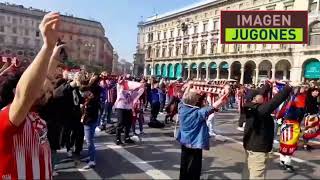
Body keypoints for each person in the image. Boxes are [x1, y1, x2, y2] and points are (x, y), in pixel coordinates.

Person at [0, 12, 62, 179]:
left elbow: (44, 80)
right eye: (44, 89)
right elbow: (25, 94)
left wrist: (53, 55)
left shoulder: (34, 116)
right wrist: (47, 47)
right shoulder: (8, 117)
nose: (47, 91)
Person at [177, 83, 229, 180]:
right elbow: (216, 104)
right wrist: (226, 92)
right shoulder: (199, 113)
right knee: (194, 167)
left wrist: (189, 86)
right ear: (195, 101)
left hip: (184, 141)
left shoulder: (181, 107)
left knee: (184, 164)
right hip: (195, 143)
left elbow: (184, 97)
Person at [242, 81, 292, 179]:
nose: (263, 96)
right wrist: (287, 88)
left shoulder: (249, 106)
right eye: (260, 96)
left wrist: (268, 85)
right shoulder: (259, 110)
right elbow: (274, 102)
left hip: (251, 146)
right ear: (255, 99)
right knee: (257, 175)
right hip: (258, 149)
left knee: (248, 171)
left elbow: (259, 93)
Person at [114, 77, 144, 145]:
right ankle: (118, 139)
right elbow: (119, 84)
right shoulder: (120, 89)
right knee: (120, 123)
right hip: (120, 108)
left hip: (128, 108)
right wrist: (121, 81)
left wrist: (139, 86)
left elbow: (140, 91)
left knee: (128, 124)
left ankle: (126, 138)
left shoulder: (132, 92)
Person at [81, 74, 102, 169]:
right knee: (89, 139)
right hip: (91, 119)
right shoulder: (93, 99)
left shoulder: (91, 100)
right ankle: (90, 157)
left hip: (89, 120)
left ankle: (92, 160)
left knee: (89, 141)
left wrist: (83, 108)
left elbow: (88, 110)